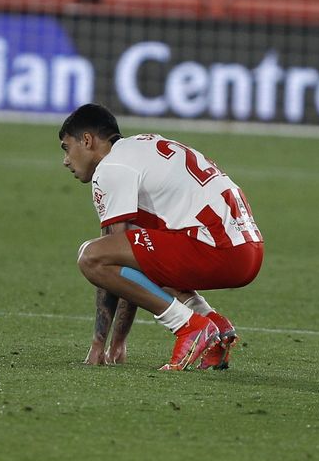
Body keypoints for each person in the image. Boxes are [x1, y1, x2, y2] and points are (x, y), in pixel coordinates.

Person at [58, 103, 263, 371]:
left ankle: (188, 326)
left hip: (219, 248)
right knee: (144, 249)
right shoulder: (144, 146)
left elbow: (115, 258)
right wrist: (117, 343)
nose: (65, 160)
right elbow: (133, 255)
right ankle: (214, 326)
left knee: (91, 256)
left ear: (87, 140)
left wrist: (101, 344)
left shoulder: (111, 167)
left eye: (66, 147)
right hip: (247, 247)